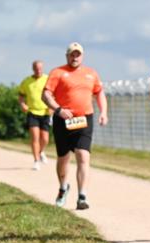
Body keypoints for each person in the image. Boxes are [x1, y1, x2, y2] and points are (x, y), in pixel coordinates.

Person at [42, 42, 108, 210]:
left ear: (82, 56)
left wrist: (103, 112)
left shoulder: (91, 74)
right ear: (67, 56)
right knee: (63, 158)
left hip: (84, 119)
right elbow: (46, 95)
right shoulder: (58, 73)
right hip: (62, 120)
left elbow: (99, 92)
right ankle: (63, 188)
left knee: (83, 155)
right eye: (72, 54)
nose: (75, 57)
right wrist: (58, 109)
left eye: (78, 54)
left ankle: (82, 196)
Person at [18, 60, 52, 170]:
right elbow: (21, 96)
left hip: (45, 112)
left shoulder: (48, 79)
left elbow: (53, 95)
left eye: (40, 68)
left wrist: (51, 107)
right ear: (33, 69)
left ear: (43, 68)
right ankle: (36, 160)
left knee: (45, 139)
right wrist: (22, 104)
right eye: (36, 68)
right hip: (32, 112)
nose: (38, 70)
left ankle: (41, 151)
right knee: (35, 137)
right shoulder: (26, 81)